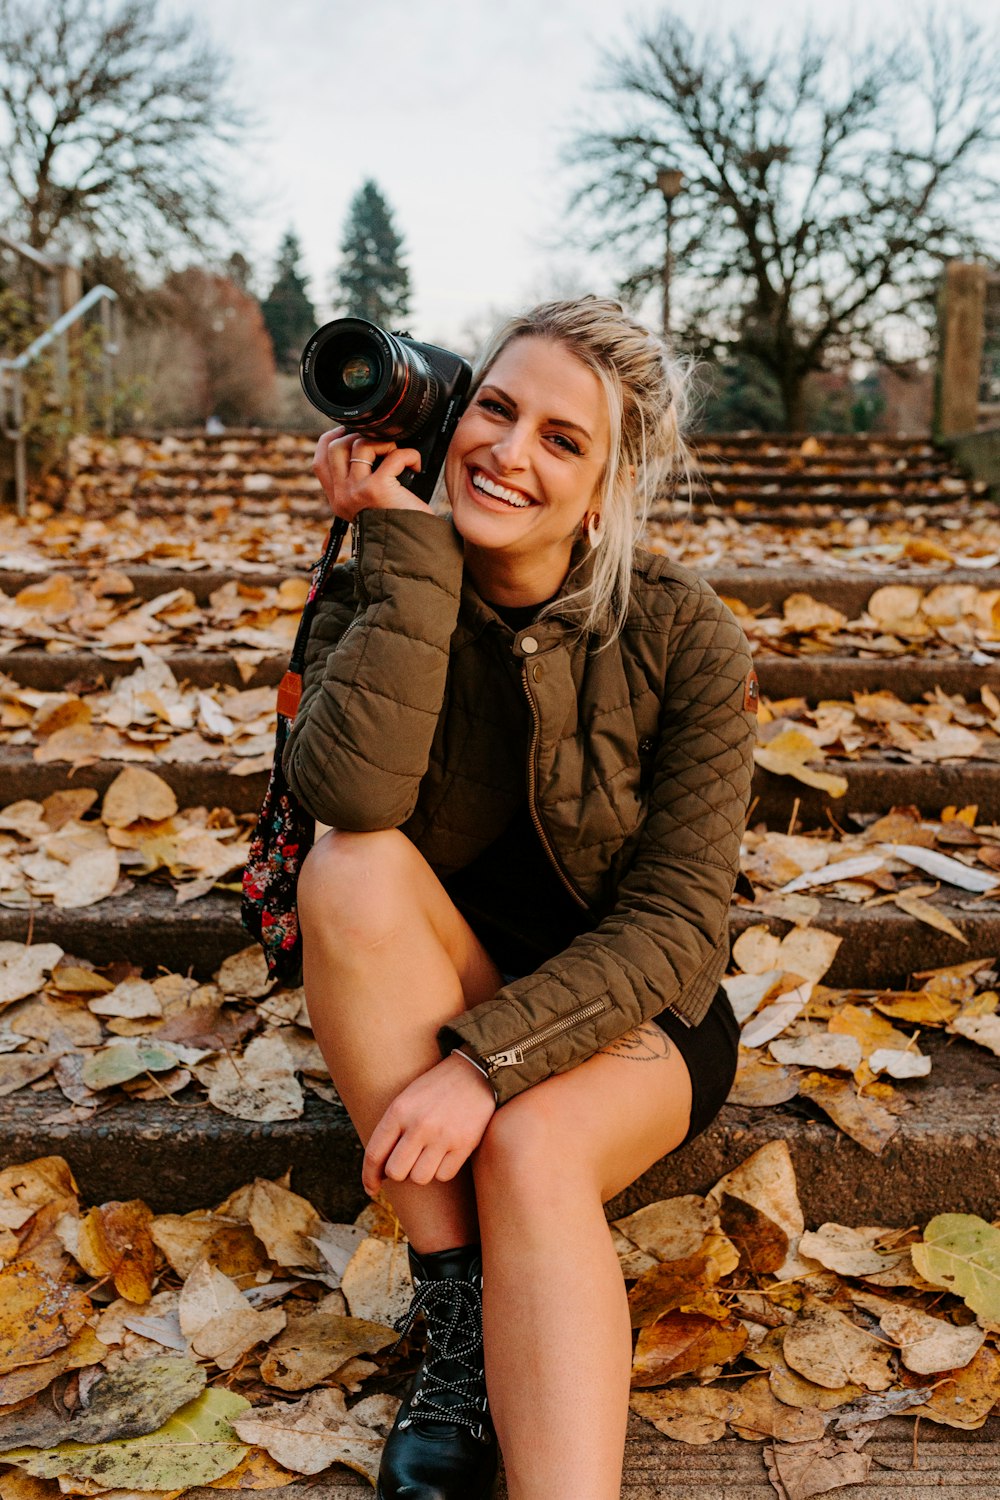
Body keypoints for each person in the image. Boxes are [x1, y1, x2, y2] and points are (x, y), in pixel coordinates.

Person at [283, 297, 757, 1500]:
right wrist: (404, 563)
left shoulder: (684, 636)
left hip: (636, 1013)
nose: (508, 450)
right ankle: (457, 1321)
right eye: (494, 408)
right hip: (444, 972)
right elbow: (343, 792)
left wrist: (484, 1065)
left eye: (562, 438)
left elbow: (680, 926)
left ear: (605, 489)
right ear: (448, 417)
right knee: (351, 860)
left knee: (535, 1142)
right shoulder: (383, 576)